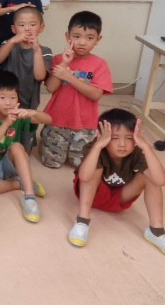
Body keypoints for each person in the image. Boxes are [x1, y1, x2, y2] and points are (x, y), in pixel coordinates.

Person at [67, 109, 165, 255]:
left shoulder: (137, 152)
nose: (122, 144)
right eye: (114, 138)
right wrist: (98, 145)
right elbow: (85, 177)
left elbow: (160, 180)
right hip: (93, 196)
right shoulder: (95, 147)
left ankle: (156, 231)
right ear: (102, 135)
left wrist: (146, 146)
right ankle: (82, 221)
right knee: (94, 169)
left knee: (150, 175)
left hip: (119, 199)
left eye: (129, 138)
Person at [40, 11, 112, 169]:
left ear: (98, 39)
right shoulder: (58, 59)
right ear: (68, 36)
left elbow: (95, 95)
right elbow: (51, 87)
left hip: (85, 125)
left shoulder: (100, 64)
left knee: (79, 164)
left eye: (90, 38)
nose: (82, 42)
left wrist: (70, 77)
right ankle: (48, 140)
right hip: (57, 121)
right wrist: (65, 63)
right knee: (52, 163)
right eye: (77, 36)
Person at [0, 71, 51, 223]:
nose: (8, 103)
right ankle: (20, 183)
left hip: (10, 161)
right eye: (2, 98)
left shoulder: (19, 114)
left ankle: (29, 198)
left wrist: (32, 112)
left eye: (13, 98)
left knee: (17, 146)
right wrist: (6, 123)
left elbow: (48, 119)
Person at [0, 6, 53, 150]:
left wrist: (36, 50)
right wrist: (12, 41)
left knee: (25, 143)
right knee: (3, 139)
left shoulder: (45, 51)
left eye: (32, 24)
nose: (27, 29)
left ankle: (26, 146)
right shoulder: (8, 45)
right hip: (5, 101)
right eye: (21, 25)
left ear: (41, 27)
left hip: (29, 102)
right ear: (13, 29)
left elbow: (40, 76)